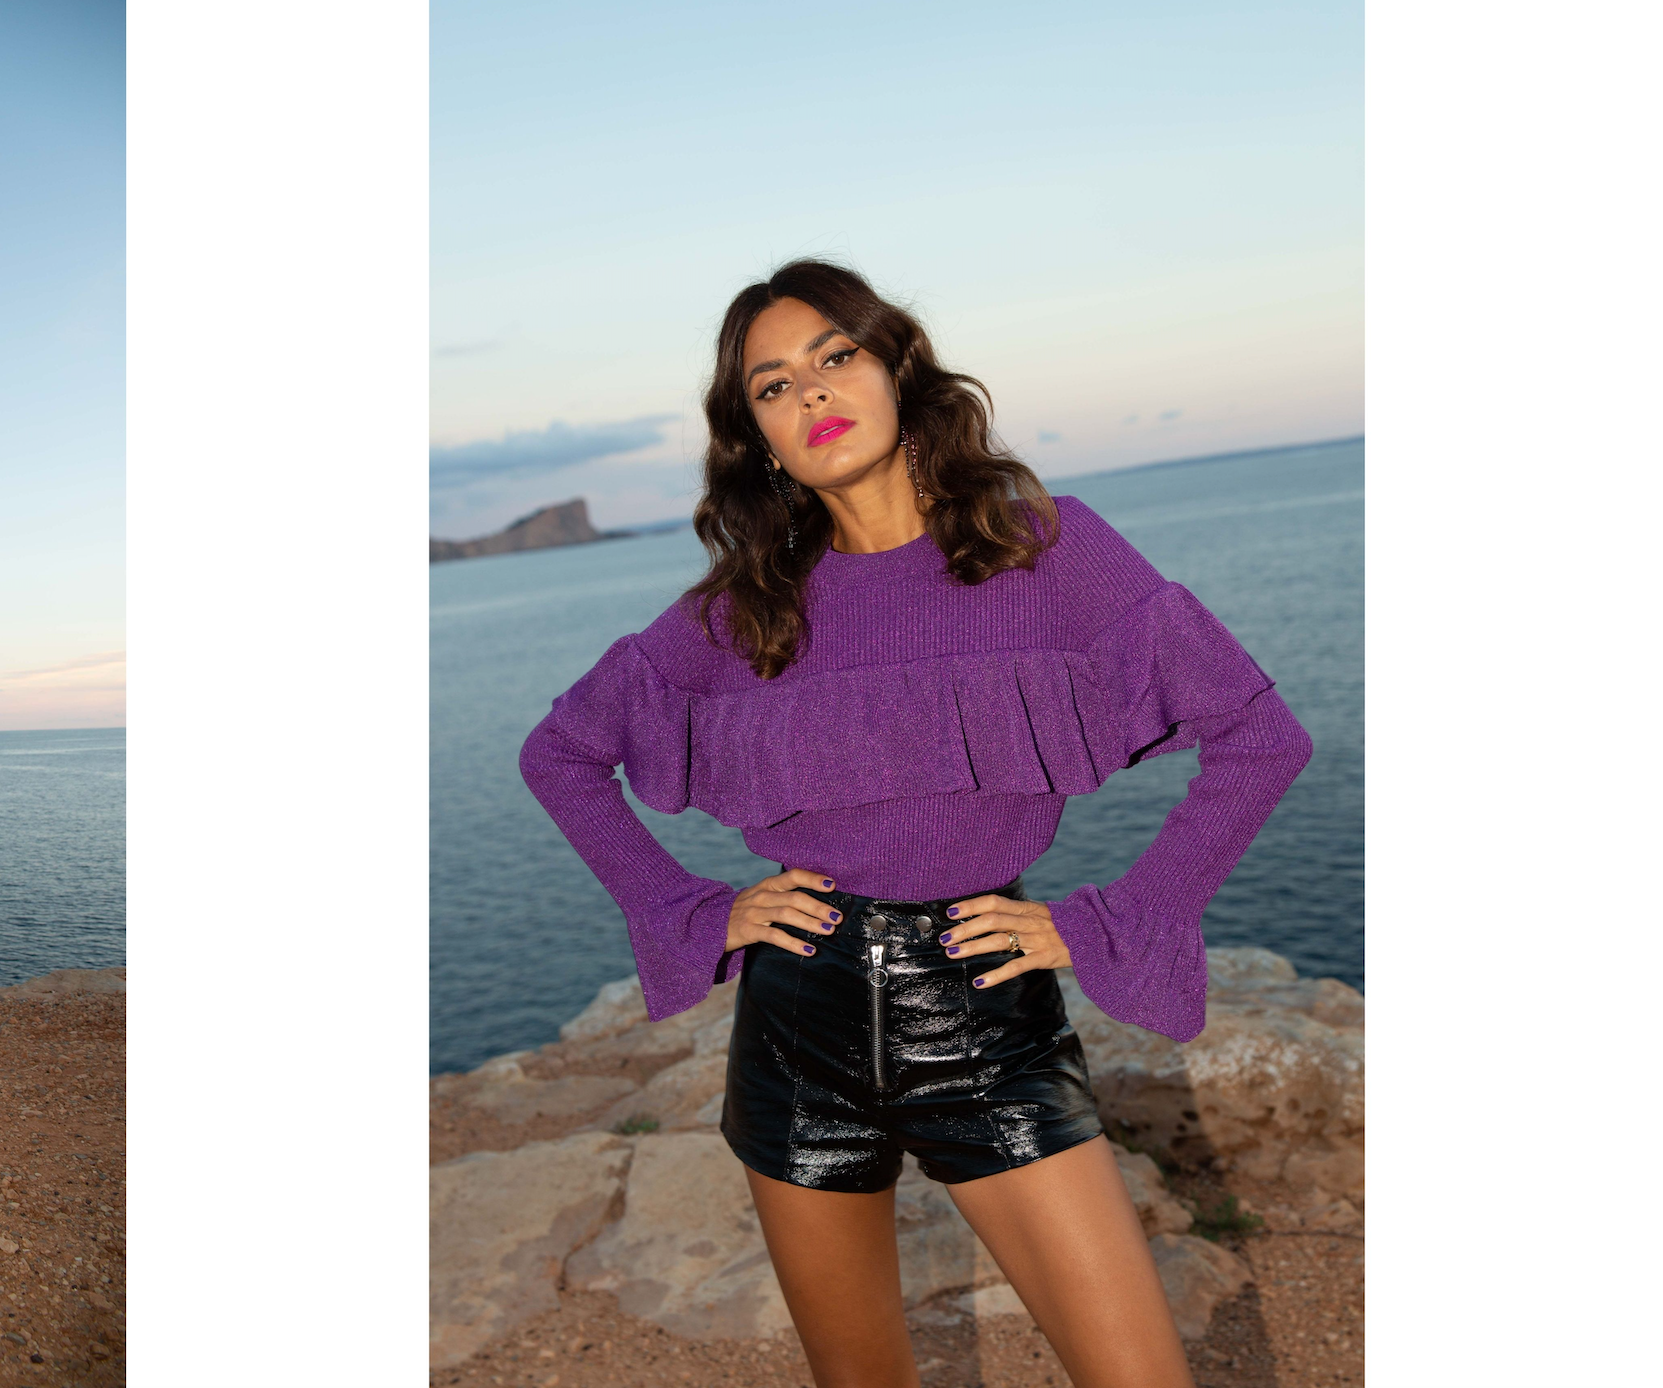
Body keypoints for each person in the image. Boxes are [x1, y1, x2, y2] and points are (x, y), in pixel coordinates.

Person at [519, 260, 1311, 1388]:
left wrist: (1113, 917)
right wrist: (690, 908)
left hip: (984, 1011)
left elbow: (1259, 735)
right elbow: (559, 753)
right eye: (771, 385)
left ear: (897, 366)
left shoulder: (1046, 547)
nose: (811, 394)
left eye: (834, 356)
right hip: (798, 1022)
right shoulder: (742, 608)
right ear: (756, 435)